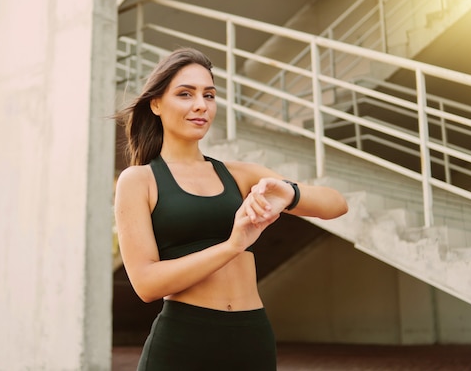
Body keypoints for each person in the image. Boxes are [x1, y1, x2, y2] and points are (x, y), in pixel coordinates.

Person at [114, 47, 348, 370]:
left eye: (209, 95)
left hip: (251, 338)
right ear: (156, 103)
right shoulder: (139, 180)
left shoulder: (240, 174)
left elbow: (337, 204)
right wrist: (232, 246)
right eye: (185, 94)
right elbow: (146, 284)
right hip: (183, 342)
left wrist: (289, 194)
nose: (201, 105)